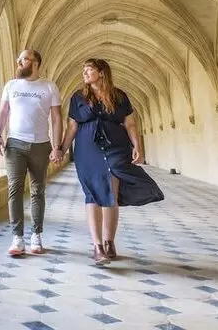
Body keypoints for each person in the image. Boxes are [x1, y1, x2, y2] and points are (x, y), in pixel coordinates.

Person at [52, 58, 164, 265]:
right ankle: (97, 246)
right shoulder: (79, 97)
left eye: (89, 70)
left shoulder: (119, 96)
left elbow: (130, 123)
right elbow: (72, 127)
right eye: (83, 70)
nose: (84, 74)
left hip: (116, 147)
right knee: (92, 194)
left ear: (102, 72)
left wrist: (137, 147)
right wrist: (60, 149)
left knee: (111, 194)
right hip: (87, 150)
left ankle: (109, 241)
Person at [0, 49, 62, 256]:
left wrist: (57, 146)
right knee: (14, 189)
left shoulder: (49, 87)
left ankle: (36, 235)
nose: (19, 63)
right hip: (15, 144)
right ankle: (17, 237)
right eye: (19, 60)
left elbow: (57, 118)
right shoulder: (11, 85)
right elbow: (3, 112)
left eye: (24, 60)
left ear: (35, 63)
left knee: (38, 190)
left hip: (41, 145)